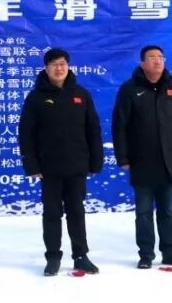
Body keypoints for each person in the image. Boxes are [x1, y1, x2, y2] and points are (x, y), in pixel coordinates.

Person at [19, 48, 104, 276]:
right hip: (49, 168)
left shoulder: (81, 94)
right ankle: (53, 257)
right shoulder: (36, 97)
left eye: (63, 64)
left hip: (77, 165)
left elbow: (93, 129)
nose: (59, 68)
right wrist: (32, 165)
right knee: (52, 214)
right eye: (54, 64)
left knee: (77, 212)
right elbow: (26, 134)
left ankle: (80, 255)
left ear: (68, 66)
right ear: (46, 68)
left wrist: (95, 161)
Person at [112, 45, 172, 269]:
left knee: (167, 211)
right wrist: (123, 157)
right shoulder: (129, 90)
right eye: (152, 57)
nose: (157, 61)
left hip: (169, 161)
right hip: (142, 161)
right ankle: (146, 254)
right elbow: (120, 126)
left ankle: (170, 252)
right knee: (144, 212)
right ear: (142, 63)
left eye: (160, 57)